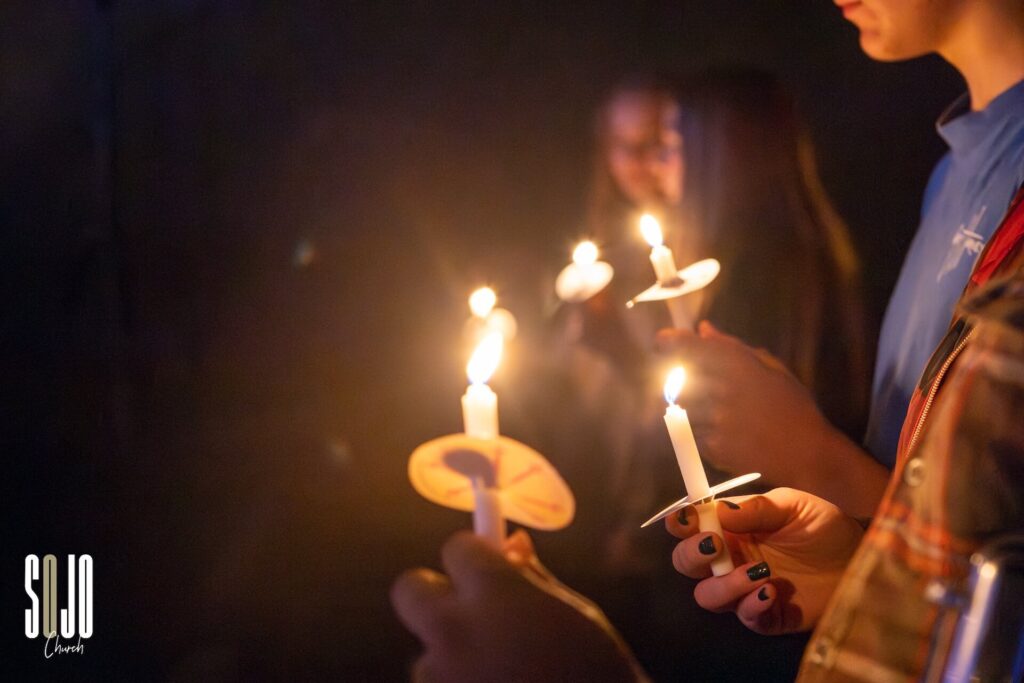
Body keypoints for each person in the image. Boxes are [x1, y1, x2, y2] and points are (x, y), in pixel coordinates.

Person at [392, 1, 1024, 680]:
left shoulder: (782, 273)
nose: (651, 169)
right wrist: (856, 567)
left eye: (670, 144)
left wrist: (820, 459)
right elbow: (963, 529)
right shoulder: (951, 175)